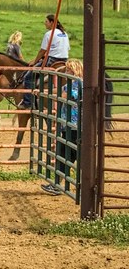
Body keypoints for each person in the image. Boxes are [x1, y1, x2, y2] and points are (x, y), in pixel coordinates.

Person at [42, 58, 83, 196]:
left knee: (71, 156)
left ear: (76, 71)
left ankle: (61, 185)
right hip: (68, 126)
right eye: (66, 69)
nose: (66, 72)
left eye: (69, 69)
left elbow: (64, 96)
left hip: (75, 127)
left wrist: (47, 95)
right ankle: (58, 185)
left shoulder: (78, 84)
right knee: (63, 155)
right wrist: (41, 91)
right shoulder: (69, 84)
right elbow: (57, 91)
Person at [22, 14, 70, 107]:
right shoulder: (64, 33)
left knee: (28, 76)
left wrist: (35, 61)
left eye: (46, 22)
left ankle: (28, 102)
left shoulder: (49, 34)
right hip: (64, 60)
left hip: (52, 60)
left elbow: (42, 51)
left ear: (52, 23)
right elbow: (66, 48)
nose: (45, 23)